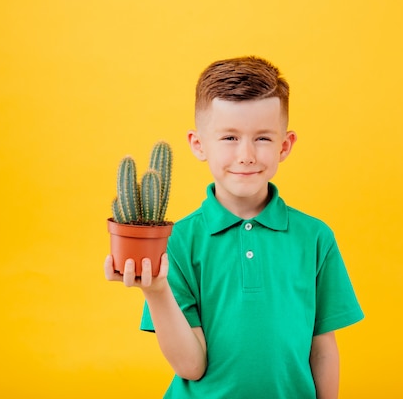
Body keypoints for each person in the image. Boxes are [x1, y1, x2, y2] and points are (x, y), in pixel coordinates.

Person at [104, 56, 364, 398]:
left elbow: (323, 349)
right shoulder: (178, 241)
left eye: (263, 139)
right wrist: (155, 291)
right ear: (199, 144)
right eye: (229, 138)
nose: (246, 155)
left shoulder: (315, 238)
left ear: (285, 145)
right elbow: (191, 366)